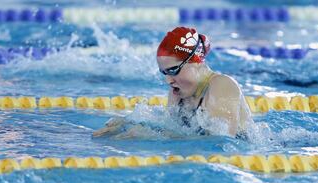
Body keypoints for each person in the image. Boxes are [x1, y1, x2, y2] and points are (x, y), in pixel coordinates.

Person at [93, 27, 252, 138]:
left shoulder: (222, 85)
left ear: (195, 62)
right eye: (164, 73)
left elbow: (220, 142)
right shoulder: (179, 92)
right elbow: (172, 128)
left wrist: (150, 136)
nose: (168, 80)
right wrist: (127, 123)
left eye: (173, 70)